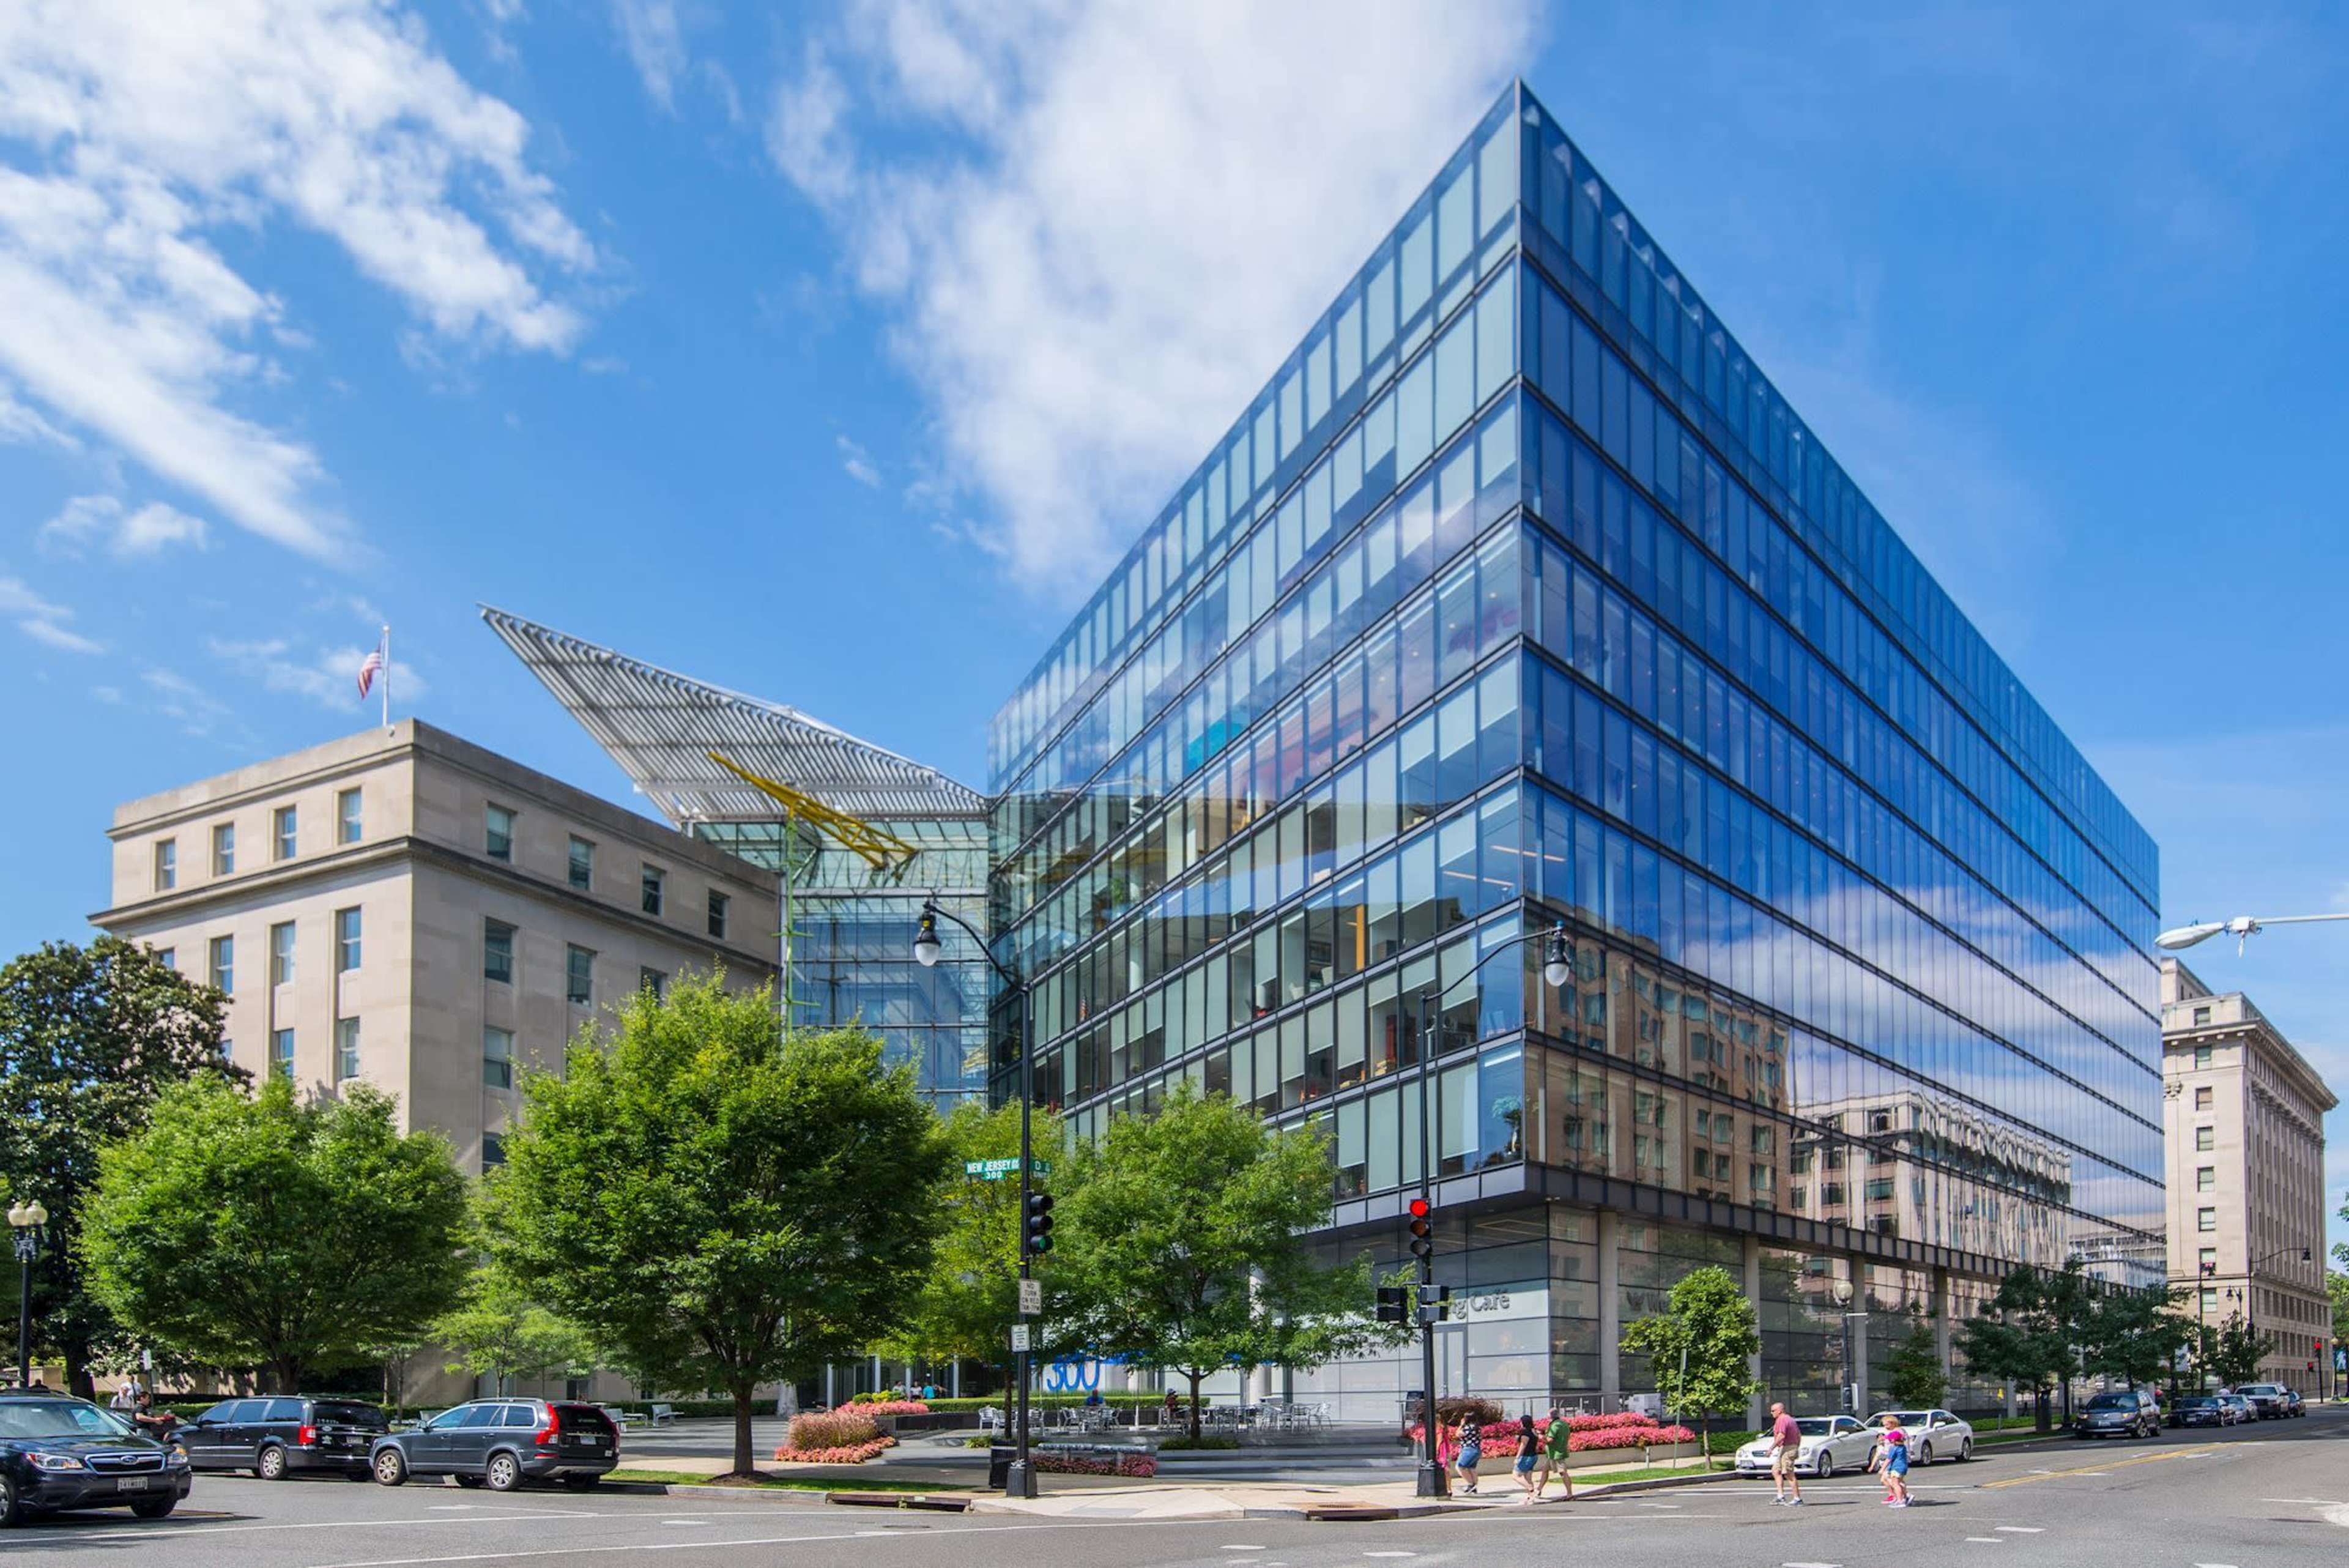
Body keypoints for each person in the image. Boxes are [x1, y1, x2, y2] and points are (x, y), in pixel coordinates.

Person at [1767, 1400, 1805, 1506]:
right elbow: (1799, 1435)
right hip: (1787, 1447)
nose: (1772, 1413)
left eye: (1773, 1411)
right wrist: (1797, 1446)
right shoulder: (1790, 1419)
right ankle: (1781, 1497)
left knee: (1788, 1473)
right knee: (1776, 1471)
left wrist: (1771, 1448)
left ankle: (1797, 1499)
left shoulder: (1782, 1420)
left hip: (1788, 1448)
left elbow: (1781, 1435)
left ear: (1780, 1411)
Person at [1870, 1414, 1910, 1507]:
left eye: (1887, 1425)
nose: (1886, 1427)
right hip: (1901, 1465)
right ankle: (1902, 1497)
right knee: (1898, 1482)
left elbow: (1889, 1459)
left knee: (1895, 1483)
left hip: (1896, 1466)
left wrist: (1882, 1469)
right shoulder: (1902, 1447)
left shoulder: (1894, 1448)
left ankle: (1901, 1499)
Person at [1537, 1406, 1574, 1501]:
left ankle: (1570, 1494)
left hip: (1556, 1453)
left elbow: (1550, 1440)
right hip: (1554, 1453)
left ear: (1550, 1417)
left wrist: (1540, 1436)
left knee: (1563, 1473)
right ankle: (1539, 1490)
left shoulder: (1555, 1426)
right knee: (1545, 1470)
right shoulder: (1564, 1424)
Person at [1511, 1413, 1541, 1503]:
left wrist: (1517, 1458)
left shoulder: (1525, 1433)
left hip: (1526, 1456)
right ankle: (1530, 1497)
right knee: (1528, 1477)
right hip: (1533, 1456)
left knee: (1516, 1475)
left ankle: (1531, 1489)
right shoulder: (1534, 1431)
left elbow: (1523, 1445)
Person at [1454, 1417, 1483, 1495]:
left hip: (1468, 1450)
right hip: (1477, 1449)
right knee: (1471, 1468)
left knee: (1460, 1467)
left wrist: (1461, 1425)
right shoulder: (1477, 1428)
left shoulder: (1468, 1428)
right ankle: (1474, 1488)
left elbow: (1458, 1434)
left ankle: (1471, 1484)